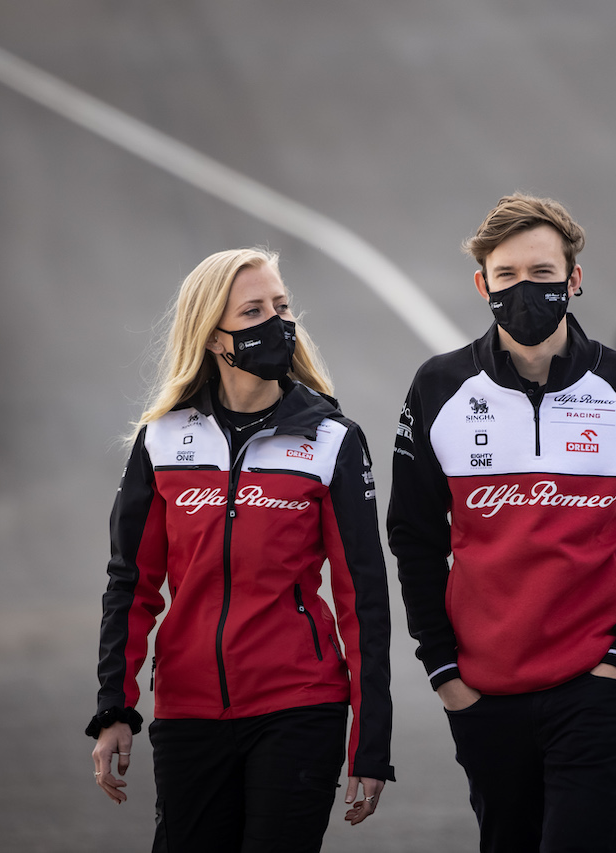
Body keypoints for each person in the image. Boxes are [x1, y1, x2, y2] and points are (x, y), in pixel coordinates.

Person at [387, 193, 616, 853]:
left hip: (596, 682)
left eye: (544, 274)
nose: (525, 289)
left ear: (574, 280)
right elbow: (413, 538)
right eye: (507, 276)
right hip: (482, 690)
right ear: (483, 285)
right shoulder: (438, 387)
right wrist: (443, 668)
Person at [88, 248, 394, 852]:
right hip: (188, 711)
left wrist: (371, 739)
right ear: (213, 336)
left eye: (281, 308)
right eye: (252, 311)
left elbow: (364, 594)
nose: (275, 323)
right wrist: (114, 707)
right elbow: (131, 583)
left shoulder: (333, 439)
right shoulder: (162, 439)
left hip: (301, 707)